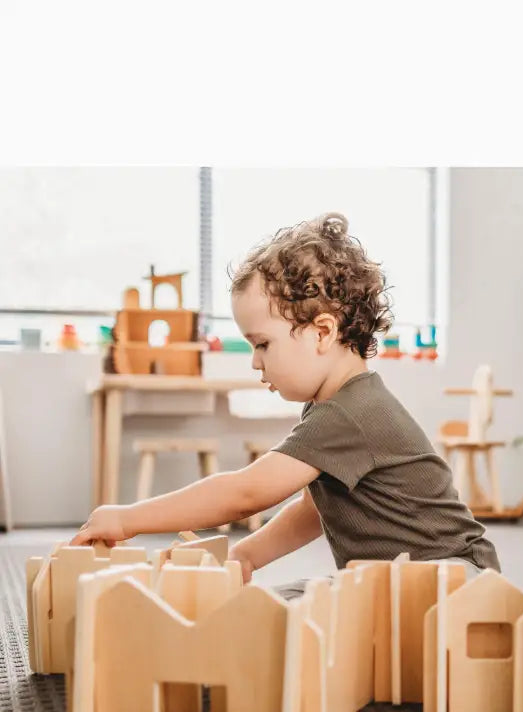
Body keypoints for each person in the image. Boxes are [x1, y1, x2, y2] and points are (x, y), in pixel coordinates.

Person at [71, 212, 501, 596]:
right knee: (273, 606)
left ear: (322, 333)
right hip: (401, 579)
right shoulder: (331, 407)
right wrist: (249, 554)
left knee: (286, 620)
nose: (256, 362)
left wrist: (129, 518)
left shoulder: (350, 412)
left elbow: (246, 493)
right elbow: (314, 510)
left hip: (455, 578)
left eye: (262, 344)